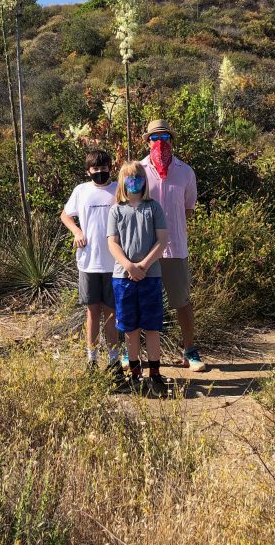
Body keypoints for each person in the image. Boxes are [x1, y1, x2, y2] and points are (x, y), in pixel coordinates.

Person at [140, 119, 208, 372]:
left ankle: (190, 351)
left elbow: (188, 208)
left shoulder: (185, 171)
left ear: (172, 140)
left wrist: (171, 232)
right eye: (154, 138)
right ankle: (134, 353)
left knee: (182, 301)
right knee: (143, 300)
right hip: (144, 250)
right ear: (147, 142)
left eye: (165, 138)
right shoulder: (138, 170)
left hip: (176, 247)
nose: (160, 143)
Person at [59, 148, 124, 384]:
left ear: (110, 168)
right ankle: (92, 359)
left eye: (104, 168)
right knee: (92, 312)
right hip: (88, 262)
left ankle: (115, 361)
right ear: (88, 171)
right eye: (95, 169)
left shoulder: (118, 189)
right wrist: (76, 230)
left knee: (112, 313)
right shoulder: (81, 191)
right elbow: (65, 215)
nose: (100, 173)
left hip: (114, 263)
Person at [106, 160, 170, 397]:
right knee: (130, 329)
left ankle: (154, 373)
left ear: (144, 181)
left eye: (138, 178)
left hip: (150, 277)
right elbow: (112, 242)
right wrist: (129, 266)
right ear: (122, 182)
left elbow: (162, 240)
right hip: (123, 279)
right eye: (129, 179)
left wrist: (143, 265)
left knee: (152, 328)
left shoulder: (154, 208)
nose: (134, 183)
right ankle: (135, 375)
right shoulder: (116, 210)